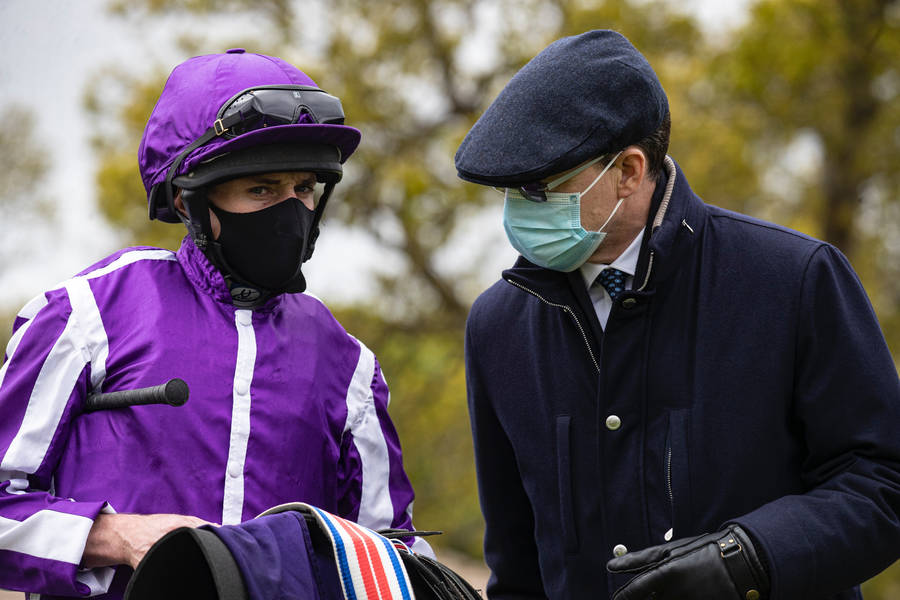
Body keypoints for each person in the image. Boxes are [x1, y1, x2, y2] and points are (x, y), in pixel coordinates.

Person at [455, 30, 900, 600]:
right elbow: (517, 572)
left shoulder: (795, 280)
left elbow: (882, 487)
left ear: (629, 171)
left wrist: (749, 560)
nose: (520, 210)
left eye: (541, 189)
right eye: (511, 191)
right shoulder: (498, 328)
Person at [0, 49, 431, 599]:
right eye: (262, 190)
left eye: (304, 188)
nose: (292, 210)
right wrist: (117, 535)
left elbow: (394, 555)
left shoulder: (348, 364)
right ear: (188, 199)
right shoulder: (85, 316)